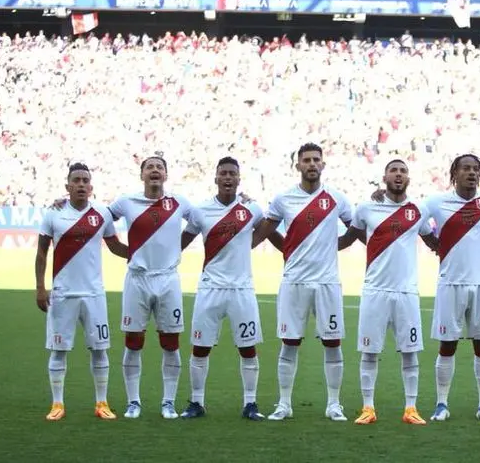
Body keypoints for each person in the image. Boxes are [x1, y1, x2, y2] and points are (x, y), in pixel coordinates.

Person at [374, 154, 480, 422]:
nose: (471, 173)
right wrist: (384, 195)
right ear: (454, 174)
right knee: (447, 345)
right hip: (450, 284)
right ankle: (441, 404)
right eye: (466, 168)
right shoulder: (436, 202)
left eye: (476, 169)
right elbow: (409, 214)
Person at [252, 143, 354, 422]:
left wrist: (335, 247)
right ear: (297, 165)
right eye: (306, 160)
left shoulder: (337, 198)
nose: (311, 164)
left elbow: (355, 229)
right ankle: (284, 404)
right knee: (289, 342)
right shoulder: (283, 198)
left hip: (327, 282)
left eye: (316, 160)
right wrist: (287, 248)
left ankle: (334, 404)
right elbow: (265, 231)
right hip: (294, 281)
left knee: (333, 342)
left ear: (323, 165)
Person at [338, 159, 439, 425]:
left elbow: (433, 241)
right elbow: (350, 237)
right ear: (384, 177)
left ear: (409, 178)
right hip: (375, 291)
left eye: (403, 171)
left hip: (407, 292)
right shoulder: (366, 208)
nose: (398, 174)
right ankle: (368, 408)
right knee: (369, 352)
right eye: (393, 170)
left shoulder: (419, 210)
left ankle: (411, 408)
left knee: (410, 351)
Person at [177, 157, 268, 421]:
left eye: (232, 174)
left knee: (248, 347)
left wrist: (247, 246)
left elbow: (267, 231)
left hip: (242, 289)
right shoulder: (201, 210)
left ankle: (250, 404)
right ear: (215, 178)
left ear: (239, 179)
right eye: (223, 173)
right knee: (200, 346)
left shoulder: (252, 209)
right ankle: (196, 402)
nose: (228, 178)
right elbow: (182, 241)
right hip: (210, 288)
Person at [35, 163, 128, 421]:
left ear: (91, 186)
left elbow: (115, 246)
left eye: (85, 180)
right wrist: (40, 287)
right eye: (76, 180)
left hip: (93, 294)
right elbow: (42, 252)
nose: (81, 184)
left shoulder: (102, 214)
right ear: (68, 186)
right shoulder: (53, 214)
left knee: (100, 349)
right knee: (59, 350)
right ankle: (57, 404)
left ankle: (102, 402)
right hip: (62, 294)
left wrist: (141, 253)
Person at [108, 155, 196, 420]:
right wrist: (124, 250)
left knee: (171, 343)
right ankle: (133, 401)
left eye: (159, 167)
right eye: (150, 167)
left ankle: (168, 402)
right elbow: (97, 219)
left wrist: (242, 200)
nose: (155, 171)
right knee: (133, 341)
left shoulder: (179, 203)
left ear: (166, 175)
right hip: (137, 279)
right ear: (142, 175)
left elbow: (206, 219)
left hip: (168, 279)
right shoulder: (126, 202)